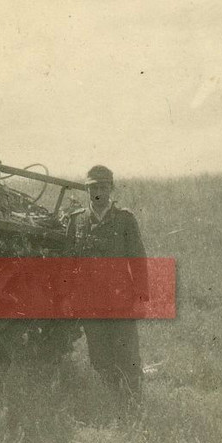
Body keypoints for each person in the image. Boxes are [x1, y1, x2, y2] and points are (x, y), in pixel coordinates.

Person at [78, 165, 149, 401]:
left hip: (121, 301)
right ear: (87, 190)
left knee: (127, 354)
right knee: (99, 357)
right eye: (93, 188)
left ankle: (133, 405)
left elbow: (138, 260)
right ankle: (112, 402)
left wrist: (141, 298)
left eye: (103, 187)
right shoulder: (77, 222)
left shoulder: (125, 220)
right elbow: (68, 267)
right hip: (90, 303)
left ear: (111, 188)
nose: (98, 192)